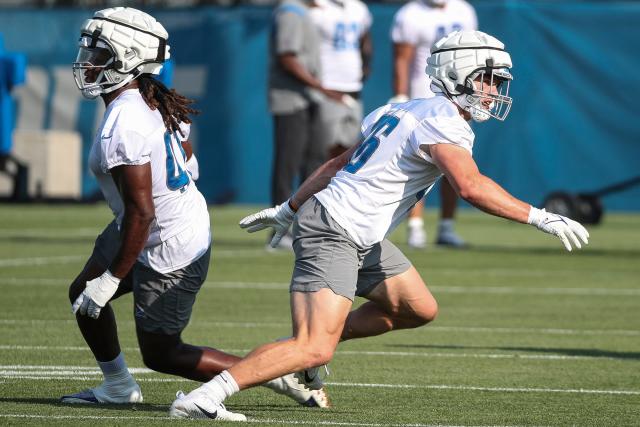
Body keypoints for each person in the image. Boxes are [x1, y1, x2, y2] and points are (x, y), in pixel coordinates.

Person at [168, 30, 589, 420]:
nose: (494, 91)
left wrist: (290, 208)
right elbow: (470, 187)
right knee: (312, 344)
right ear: (458, 74)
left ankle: (302, 351)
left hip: (357, 232)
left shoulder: (401, 108)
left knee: (416, 309)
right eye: (488, 79)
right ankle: (205, 397)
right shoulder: (442, 119)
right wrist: (540, 216)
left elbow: (338, 163)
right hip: (336, 228)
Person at [62, 7, 327, 413]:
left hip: (169, 240)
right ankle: (117, 385)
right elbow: (186, 157)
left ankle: (269, 372)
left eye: (99, 54)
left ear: (128, 58)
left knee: (162, 353)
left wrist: (113, 277)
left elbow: (142, 212)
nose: (88, 62)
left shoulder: (127, 121)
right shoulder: (150, 100)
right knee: (82, 292)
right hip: (152, 222)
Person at [390, 0, 477, 248]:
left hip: (458, 99)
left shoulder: (464, 10)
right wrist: (400, 95)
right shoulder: (410, 14)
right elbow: (402, 58)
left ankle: (446, 227)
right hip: (423, 98)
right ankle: (415, 227)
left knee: (456, 165)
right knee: (416, 166)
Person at [268, 0, 346, 249]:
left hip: (307, 99)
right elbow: (287, 57)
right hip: (290, 100)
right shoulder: (289, 12)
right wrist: (321, 88)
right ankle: (278, 232)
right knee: (287, 165)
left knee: (314, 161)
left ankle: (308, 227)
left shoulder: (302, 12)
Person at [309, 0, 373, 159]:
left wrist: (365, 65)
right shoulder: (317, 9)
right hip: (327, 86)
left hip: (353, 87)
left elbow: (365, 38)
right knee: (322, 151)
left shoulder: (358, 8)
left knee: (349, 151)